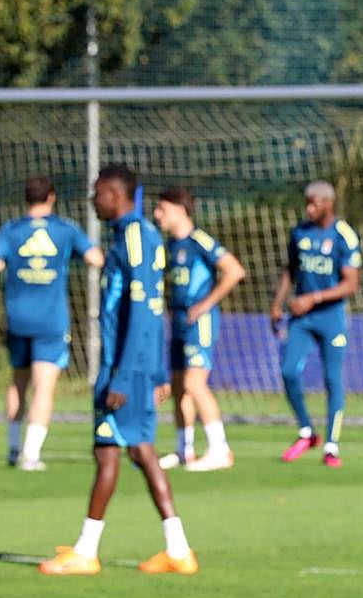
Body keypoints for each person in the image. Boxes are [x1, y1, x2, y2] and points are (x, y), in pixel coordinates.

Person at [39, 164, 198, 576]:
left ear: (115, 193)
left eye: (97, 193)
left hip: (126, 370)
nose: (92, 200)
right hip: (134, 366)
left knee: (113, 451)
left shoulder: (135, 236)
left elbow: (145, 312)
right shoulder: (129, 236)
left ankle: (87, 553)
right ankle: (177, 550)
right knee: (133, 451)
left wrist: (126, 377)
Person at [0, 176, 104, 470]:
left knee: (18, 383)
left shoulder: (13, 230)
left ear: (26, 199)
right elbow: (95, 258)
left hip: (18, 318)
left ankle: (13, 448)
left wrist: (14, 264)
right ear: (51, 197)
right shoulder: (64, 229)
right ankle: (31, 454)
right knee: (44, 387)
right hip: (50, 320)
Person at [153, 186, 245, 471]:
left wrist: (206, 304)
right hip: (178, 321)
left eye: (162, 209)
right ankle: (185, 450)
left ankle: (220, 450)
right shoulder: (170, 246)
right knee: (179, 387)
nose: (157, 215)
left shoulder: (199, 240)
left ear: (180, 209)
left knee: (195, 383)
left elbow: (234, 270)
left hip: (199, 323)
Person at [269, 181, 361, 467]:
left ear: (328, 203)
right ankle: (306, 431)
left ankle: (331, 446)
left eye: (314, 203)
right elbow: (290, 270)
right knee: (288, 371)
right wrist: (277, 303)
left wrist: (315, 297)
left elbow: (351, 284)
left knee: (333, 380)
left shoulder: (343, 235)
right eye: (307, 203)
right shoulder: (299, 232)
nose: (309, 208)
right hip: (302, 317)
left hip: (331, 318)